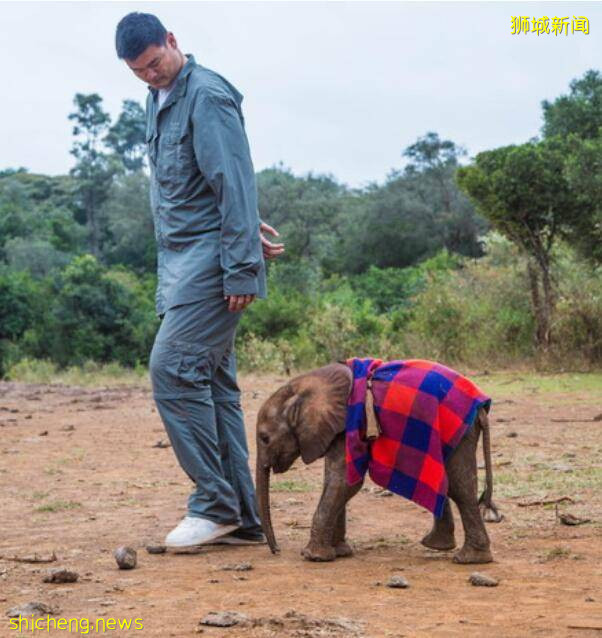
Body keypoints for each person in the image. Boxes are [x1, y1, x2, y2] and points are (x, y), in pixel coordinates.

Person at [115, 12, 284, 548]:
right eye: (138, 71)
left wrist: (239, 261)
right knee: (212, 386)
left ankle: (213, 504)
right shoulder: (158, 99)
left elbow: (233, 177)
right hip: (182, 261)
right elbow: (199, 182)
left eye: (155, 63)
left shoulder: (207, 96)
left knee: (171, 370)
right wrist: (238, 219)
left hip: (212, 267)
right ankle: (241, 516)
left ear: (172, 41)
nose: (150, 76)